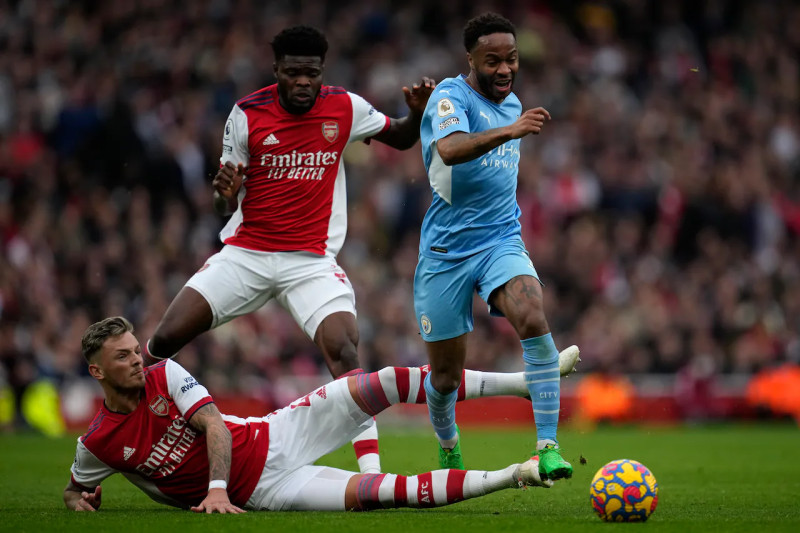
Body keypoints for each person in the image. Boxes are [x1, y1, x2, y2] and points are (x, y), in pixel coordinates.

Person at [144, 26, 436, 475]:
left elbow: (399, 137)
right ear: (277, 70)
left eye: (312, 73)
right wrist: (225, 193)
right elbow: (224, 200)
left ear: (322, 72)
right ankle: (129, 435)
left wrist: (415, 116)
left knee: (345, 351)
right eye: (294, 72)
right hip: (247, 254)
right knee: (163, 341)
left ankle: (373, 477)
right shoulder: (246, 113)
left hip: (310, 261)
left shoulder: (345, 106)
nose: (304, 81)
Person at [64, 317, 581, 512]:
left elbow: (215, 425)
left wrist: (215, 492)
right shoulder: (99, 443)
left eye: (136, 350)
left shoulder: (164, 374)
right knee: (381, 496)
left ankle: (529, 382)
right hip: (267, 494)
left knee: (383, 382)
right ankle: (519, 474)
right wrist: (79, 501)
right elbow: (73, 487)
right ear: (97, 372)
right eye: (123, 356)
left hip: (275, 435)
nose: (137, 360)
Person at [414, 12, 574, 481]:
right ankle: (448, 445)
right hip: (445, 253)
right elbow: (450, 150)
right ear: (470, 60)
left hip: (500, 238)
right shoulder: (451, 96)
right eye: (493, 61)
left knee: (531, 312)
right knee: (444, 379)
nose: (505, 69)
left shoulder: (513, 103)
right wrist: (512, 129)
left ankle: (548, 446)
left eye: (512, 59)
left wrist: (514, 125)